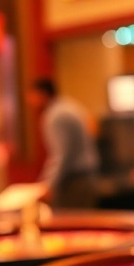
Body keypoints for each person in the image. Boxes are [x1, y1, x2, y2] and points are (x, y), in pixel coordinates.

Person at [26, 78, 99, 208]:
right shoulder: (68, 106)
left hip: (74, 181)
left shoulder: (56, 116)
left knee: (71, 222)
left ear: (42, 94)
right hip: (86, 176)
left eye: (32, 96)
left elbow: (61, 155)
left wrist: (48, 185)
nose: (30, 102)